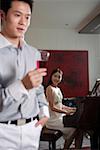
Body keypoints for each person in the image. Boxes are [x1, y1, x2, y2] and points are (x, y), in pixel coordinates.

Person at [0, 0, 49, 149]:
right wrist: (22, 86)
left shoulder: (33, 53)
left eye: (27, 17)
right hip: (3, 132)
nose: (23, 22)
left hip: (32, 129)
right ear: (2, 15)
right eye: (17, 15)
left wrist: (44, 111)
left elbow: (38, 87)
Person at [45, 68, 82, 149]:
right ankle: (66, 148)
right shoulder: (49, 88)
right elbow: (53, 107)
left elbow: (60, 105)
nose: (57, 79)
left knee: (79, 130)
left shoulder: (58, 89)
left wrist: (71, 109)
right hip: (53, 120)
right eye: (55, 76)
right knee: (75, 130)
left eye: (59, 77)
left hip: (60, 117)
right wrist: (66, 112)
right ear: (51, 76)